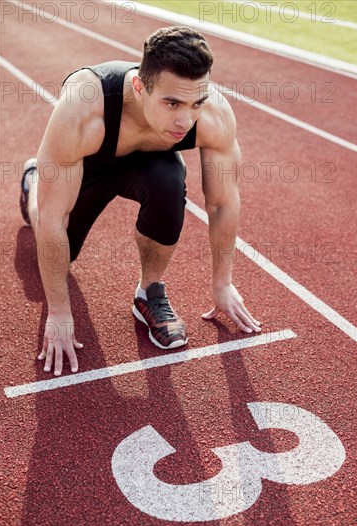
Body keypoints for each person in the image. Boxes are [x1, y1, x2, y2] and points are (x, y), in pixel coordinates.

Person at [19, 26, 261, 377]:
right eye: (172, 103)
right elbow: (54, 220)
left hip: (150, 163)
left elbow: (222, 203)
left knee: (169, 184)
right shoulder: (84, 111)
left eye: (196, 103)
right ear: (139, 87)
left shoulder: (212, 116)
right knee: (53, 233)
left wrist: (222, 283)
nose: (185, 119)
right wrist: (58, 312)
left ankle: (150, 292)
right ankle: (32, 181)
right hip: (91, 162)